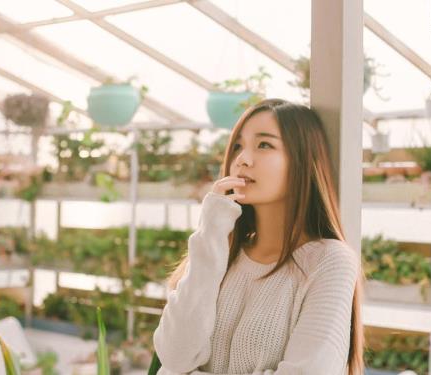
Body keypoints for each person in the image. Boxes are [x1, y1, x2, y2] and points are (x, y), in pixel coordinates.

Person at [152, 99, 364, 375]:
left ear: (302, 160)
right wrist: (211, 231)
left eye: (264, 145)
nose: (243, 159)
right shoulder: (218, 252)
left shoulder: (329, 261)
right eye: (238, 146)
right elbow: (174, 358)